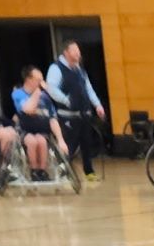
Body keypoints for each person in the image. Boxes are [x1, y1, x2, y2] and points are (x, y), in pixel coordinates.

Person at [46, 39, 106, 177]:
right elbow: (52, 89)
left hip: (84, 114)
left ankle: (89, 172)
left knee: (86, 144)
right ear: (66, 52)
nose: (78, 53)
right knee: (69, 147)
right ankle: (63, 173)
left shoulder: (79, 69)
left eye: (78, 51)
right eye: (75, 50)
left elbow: (88, 89)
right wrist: (66, 100)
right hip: (67, 115)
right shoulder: (56, 68)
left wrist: (97, 105)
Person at [11, 67, 67, 175]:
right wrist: (37, 92)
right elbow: (28, 109)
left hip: (42, 129)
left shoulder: (45, 97)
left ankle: (42, 171)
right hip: (25, 129)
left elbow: (53, 119)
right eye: (39, 80)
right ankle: (34, 171)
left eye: (42, 80)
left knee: (41, 141)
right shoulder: (18, 94)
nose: (42, 83)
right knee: (32, 141)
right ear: (29, 80)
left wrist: (61, 140)